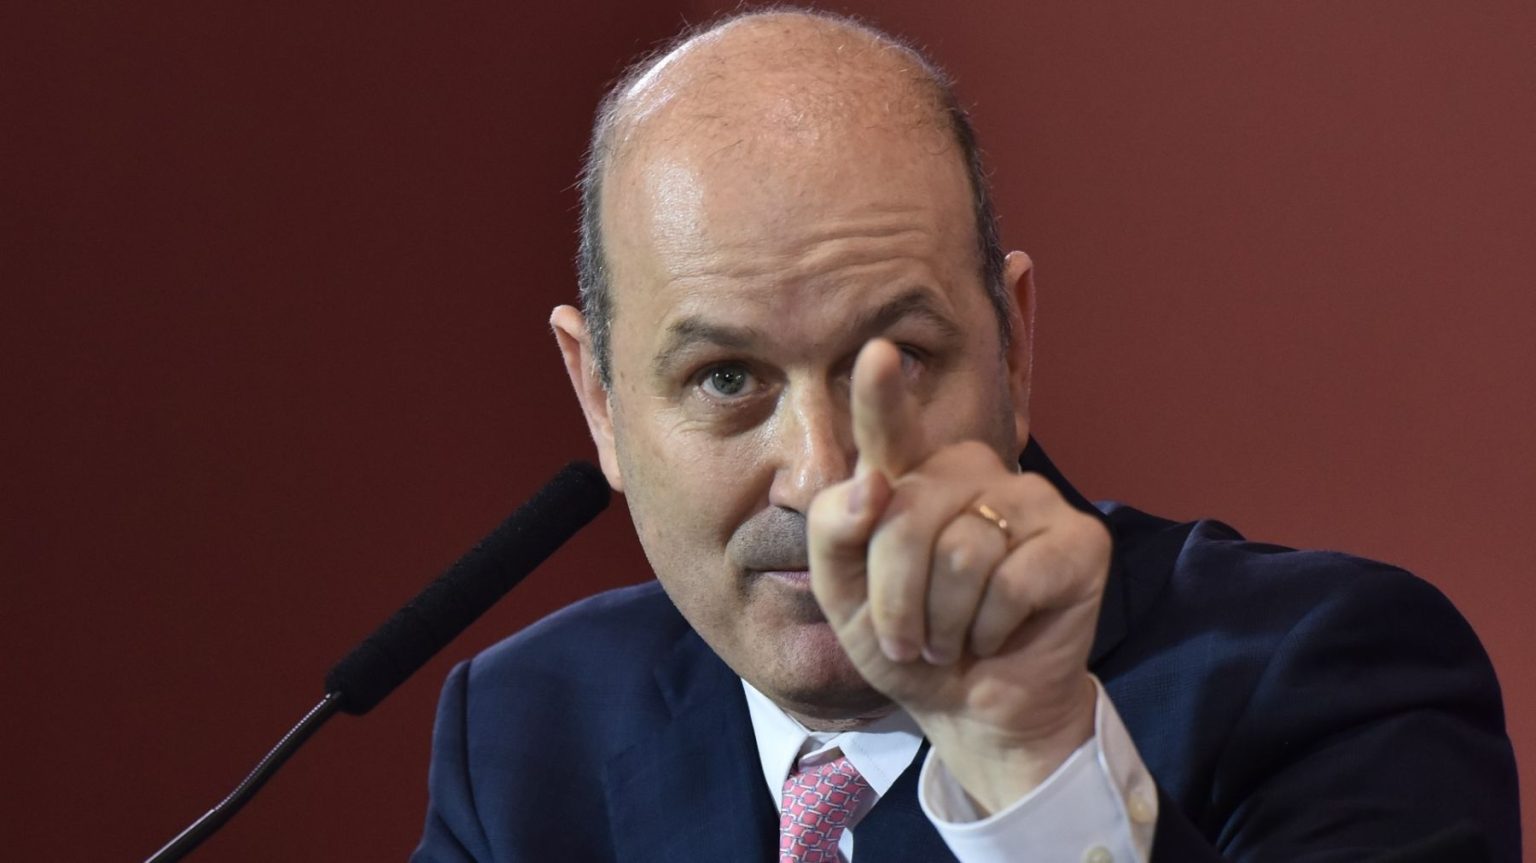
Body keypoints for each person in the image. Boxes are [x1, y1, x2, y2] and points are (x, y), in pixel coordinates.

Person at [411, 8, 1520, 862]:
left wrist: (1033, 771)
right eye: (728, 378)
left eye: (896, 360)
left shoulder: (1334, 677)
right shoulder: (523, 734)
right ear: (601, 402)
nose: (823, 478)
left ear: (1014, 347)